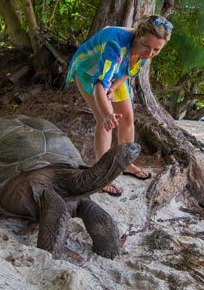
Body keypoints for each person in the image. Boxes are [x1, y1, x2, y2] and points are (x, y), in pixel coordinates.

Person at [67, 15, 173, 196]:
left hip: (114, 76)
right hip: (87, 72)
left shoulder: (146, 49)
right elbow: (100, 84)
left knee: (128, 118)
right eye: (147, 46)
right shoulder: (116, 45)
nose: (149, 53)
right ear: (138, 35)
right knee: (103, 120)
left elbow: (128, 72)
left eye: (156, 50)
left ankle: (125, 162)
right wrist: (108, 113)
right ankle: (101, 173)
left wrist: (114, 87)